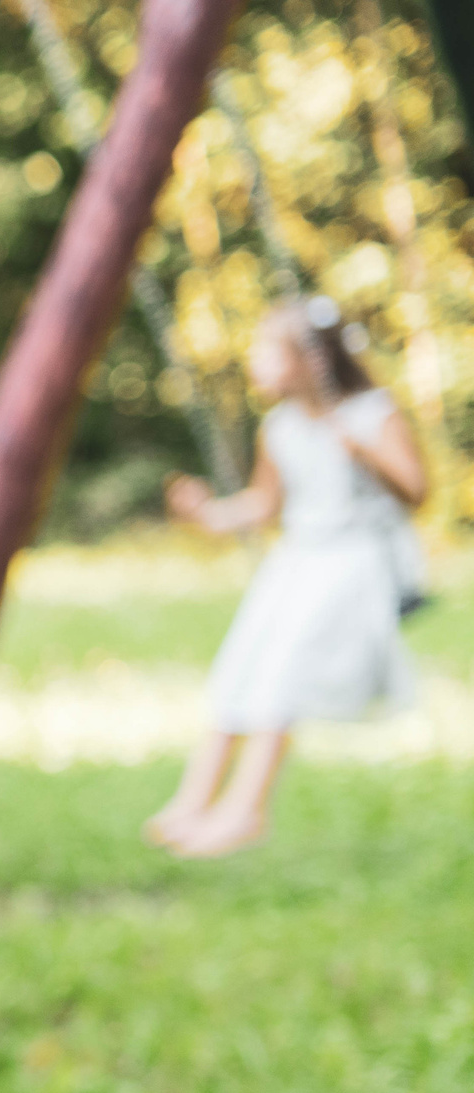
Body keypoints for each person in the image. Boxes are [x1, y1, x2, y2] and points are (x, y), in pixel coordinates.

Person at [146, 296, 429, 858]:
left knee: (283, 676)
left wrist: (365, 455)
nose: (255, 362)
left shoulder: (373, 413)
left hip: (353, 560)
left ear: (310, 359)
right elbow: (263, 505)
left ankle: (246, 810)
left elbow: (416, 492)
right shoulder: (279, 426)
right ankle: (193, 801)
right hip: (296, 558)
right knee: (242, 664)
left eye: (267, 352)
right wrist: (208, 515)